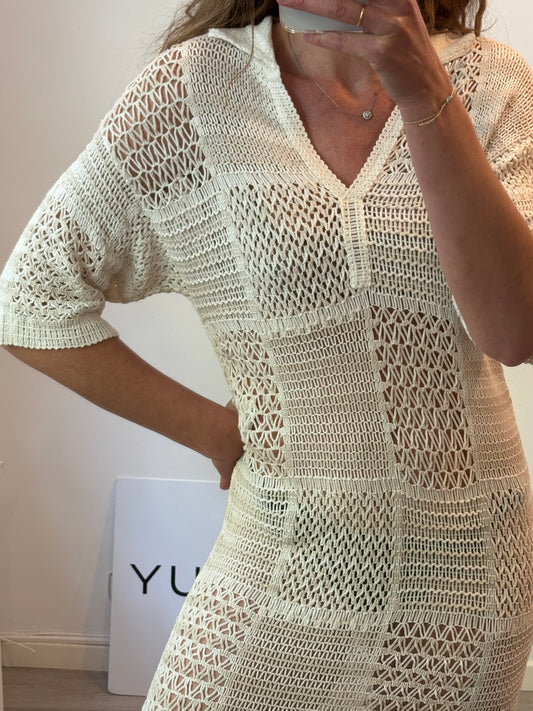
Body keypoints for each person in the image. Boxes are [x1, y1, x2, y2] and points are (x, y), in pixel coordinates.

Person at [1, 0, 533, 707]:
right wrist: (214, 432)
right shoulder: (191, 94)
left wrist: (424, 95)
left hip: (467, 576)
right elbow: (31, 300)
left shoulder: (493, 85)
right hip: (277, 557)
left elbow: (515, 330)